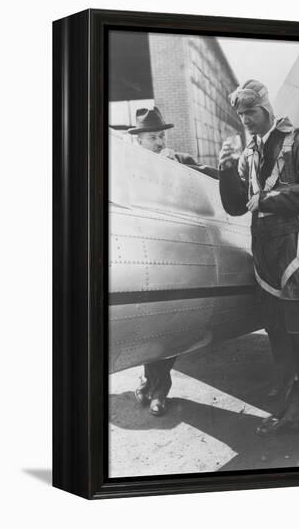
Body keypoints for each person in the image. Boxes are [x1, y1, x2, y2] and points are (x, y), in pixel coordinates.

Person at [218, 80, 299, 466]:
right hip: (265, 258)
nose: (246, 120)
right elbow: (237, 207)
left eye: (250, 112)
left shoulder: (296, 140)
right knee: (281, 345)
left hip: (295, 257)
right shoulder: (249, 153)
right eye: (241, 114)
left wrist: (267, 197)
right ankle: (292, 414)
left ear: (266, 107)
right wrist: (225, 171)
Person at [128, 107, 218, 416]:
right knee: (148, 325)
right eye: (151, 137)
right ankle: (148, 382)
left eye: (161, 136)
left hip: (177, 255)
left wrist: (175, 170)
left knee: (167, 328)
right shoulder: (127, 168)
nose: (157, 142)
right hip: (146, 254)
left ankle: (157, 390)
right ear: (138, 140)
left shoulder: (177, 161)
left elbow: (212, 177)